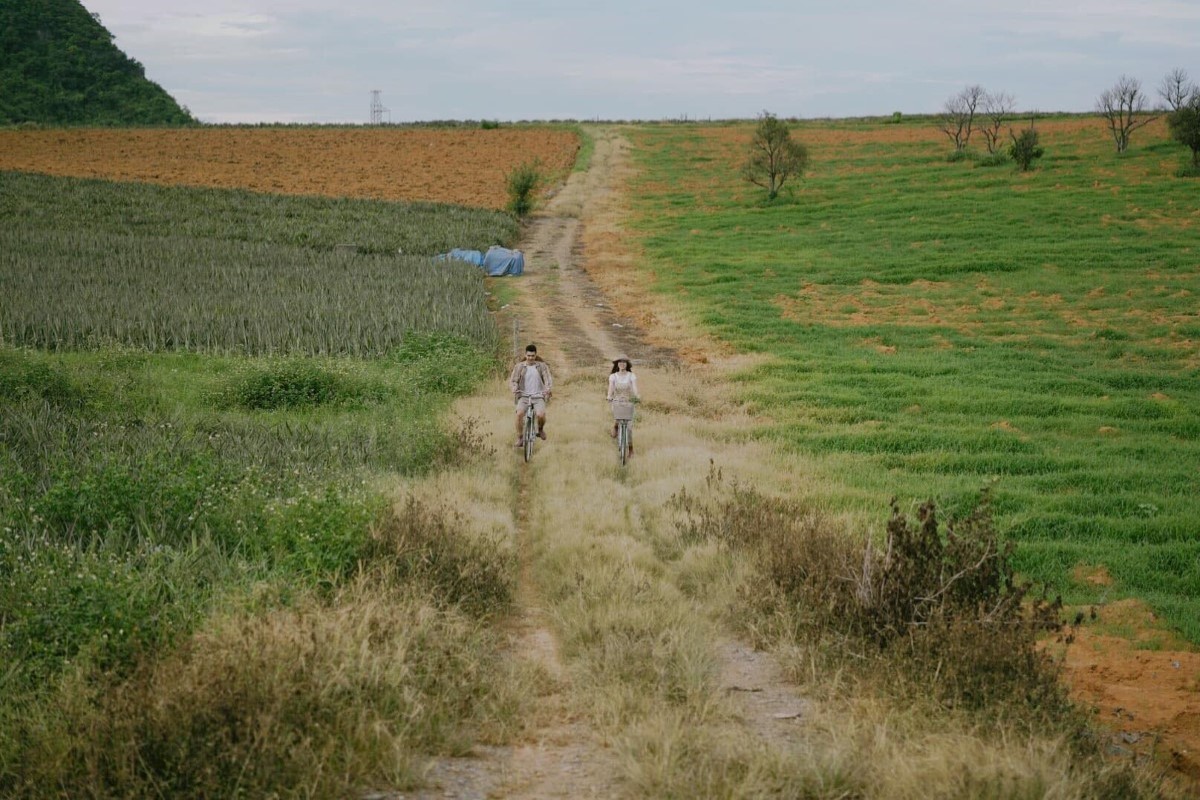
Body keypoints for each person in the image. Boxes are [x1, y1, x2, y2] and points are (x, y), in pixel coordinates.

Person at [509, 343, 553, 447]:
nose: (530, 358)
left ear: (536, 355)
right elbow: (513, 380)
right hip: (524, 396)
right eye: (528, 355)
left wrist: (547, 389)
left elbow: (547, 379)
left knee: (540, 415)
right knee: (519, 414)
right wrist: (514, 388)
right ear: (525, 355)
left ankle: (540, 429)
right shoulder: (519, 366)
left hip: (538, 396)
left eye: (532, 356)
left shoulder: (542, 366)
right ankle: (520, 437)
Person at [606, 355, 640, 452]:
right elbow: (611, 388)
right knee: (618, 417)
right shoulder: (613, 376)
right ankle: (616, 426)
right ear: (617, 364)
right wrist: (609, 396)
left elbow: (635, 388)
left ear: (627, 364)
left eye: (624, 362)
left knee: (629, 427)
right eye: (620, 362)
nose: (622, 363)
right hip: (617, 401)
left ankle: (631, 449)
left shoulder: (631, 375)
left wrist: (637, 395)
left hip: (628, 401)